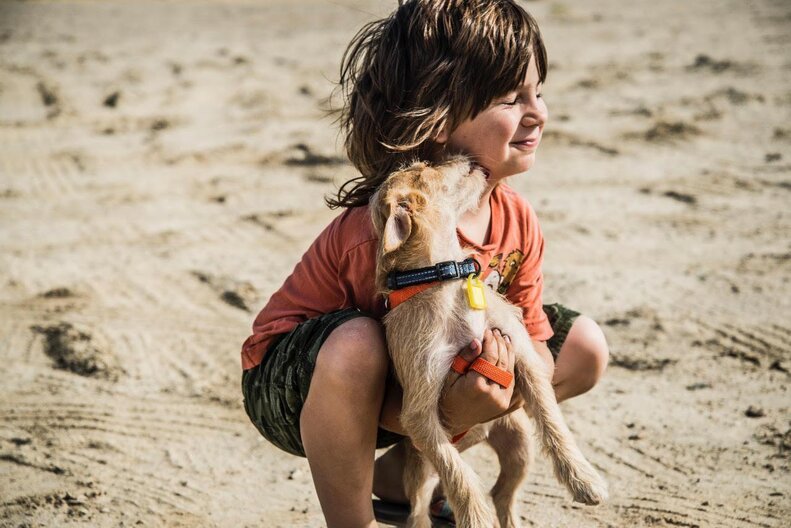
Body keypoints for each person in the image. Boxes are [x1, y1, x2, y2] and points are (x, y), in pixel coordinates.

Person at [241, 1, 609, 526]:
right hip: (302, 385)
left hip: (428, 371)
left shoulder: (516, 217)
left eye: (539, 92)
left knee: (582, 348)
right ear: (438, 120)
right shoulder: (395, 223)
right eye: (511, 99)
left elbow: (530, 332)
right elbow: (381, 362)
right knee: (356, 344)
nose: (537, 112)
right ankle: (354, 518)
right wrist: (458, 409)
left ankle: (401, 474)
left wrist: (495, 385)